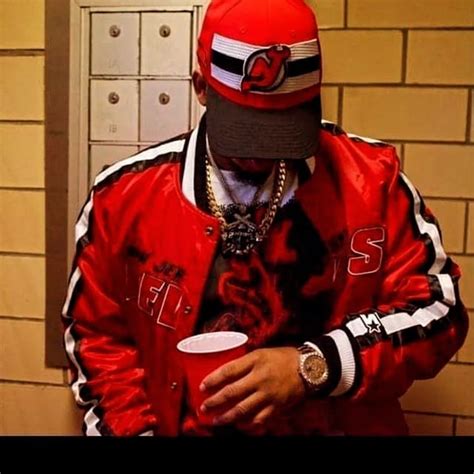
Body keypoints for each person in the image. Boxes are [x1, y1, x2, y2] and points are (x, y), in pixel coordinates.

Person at [62, 0, 468, 436]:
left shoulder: (372, 181)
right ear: (201, 87)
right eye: (246, 128)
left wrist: (314, 366)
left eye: (285, 128)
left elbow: (439, 311)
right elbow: (97, 339)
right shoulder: (122, 198)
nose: (261, 153)